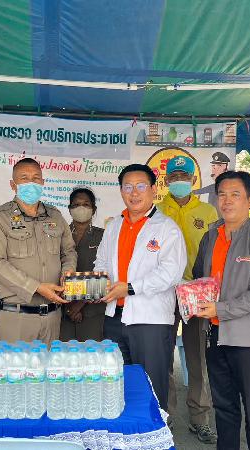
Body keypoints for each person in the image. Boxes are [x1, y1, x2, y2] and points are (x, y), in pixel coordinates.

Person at [194, 171, 250, 450]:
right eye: (222, 194)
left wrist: (221, 308)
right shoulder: (211, 236)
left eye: (235, 194)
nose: (227, 201)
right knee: (224, 409)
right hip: (215, 335)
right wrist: (193, 297)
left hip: (249, 343)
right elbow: (200, 277)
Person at [95, 163, 186, 409]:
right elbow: (101, 262)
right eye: (128, 187)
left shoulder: (167, 228)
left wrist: (130, 288)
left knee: (151, 388)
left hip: (150, 321)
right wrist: (98, 283)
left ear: (153, 190)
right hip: (115, 318)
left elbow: (170, 273)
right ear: (121, 191)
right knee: (117, 385)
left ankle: (156, 432)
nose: (134, 193)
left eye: (141, 186)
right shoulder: (114, 225)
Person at [0, 158, 77, 344]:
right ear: (13, 185)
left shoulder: (55, 216)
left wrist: (68, 272)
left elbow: (69, 251)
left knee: (50, 364)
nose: (31, 183)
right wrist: (36, 288)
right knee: (14, 364)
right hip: (16, 317)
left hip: (52, 318)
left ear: (42, 183)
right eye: (24, 178)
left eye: (36, 178)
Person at [157, 155, 218, 443]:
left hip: (197, 294)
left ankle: (200, 419)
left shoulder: (208, 212)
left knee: (197, 358)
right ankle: (165, 416)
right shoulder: (157, 211)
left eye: (184, 177)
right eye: (174, 177)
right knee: (163, 357)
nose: (179, 181)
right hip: (164, 293)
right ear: (166, 181)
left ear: (194, 180)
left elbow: (215, 252)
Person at [60, 187, 105, 341]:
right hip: (63, 310)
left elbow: (107, 273)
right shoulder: (58, 236)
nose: (81, 208)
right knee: (63, 353)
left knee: (93, 354)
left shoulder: (104, 236)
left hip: (93, 311)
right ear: (69, 209)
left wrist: (79, 304)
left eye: (86, 204)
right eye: (76, 204)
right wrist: (69, 307)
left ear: (94, 209)